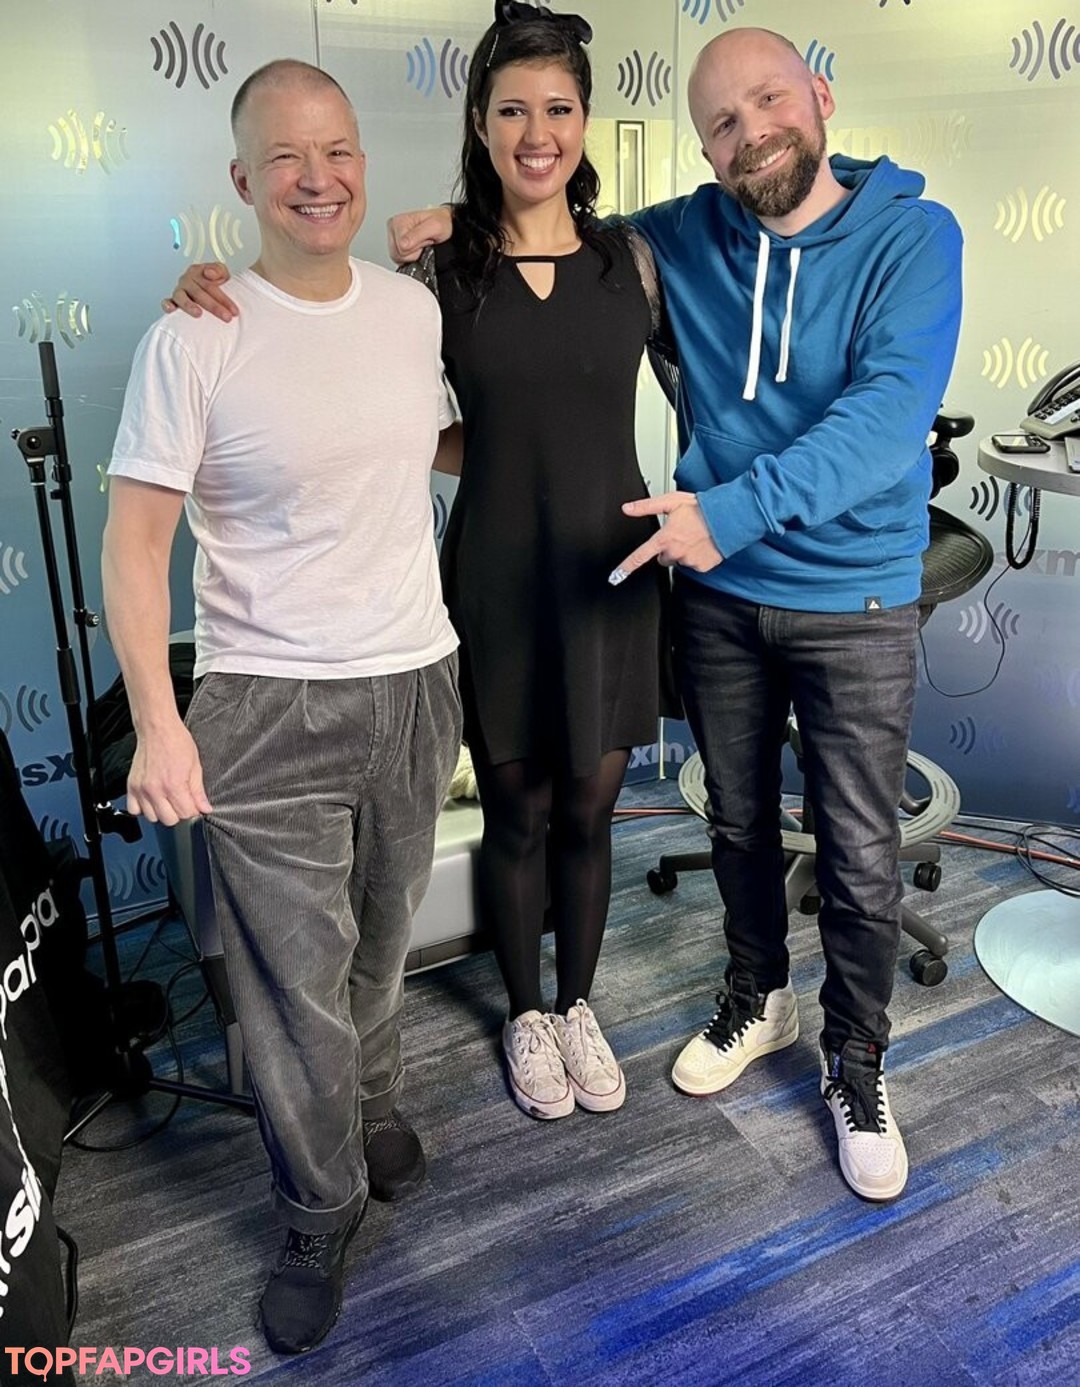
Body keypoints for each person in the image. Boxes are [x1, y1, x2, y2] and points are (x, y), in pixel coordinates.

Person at [390, 22, 964, 1202]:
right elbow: (541, 256)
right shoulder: (677, 240)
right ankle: (758, 996)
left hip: (849, 594)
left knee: (858, 851)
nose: (753, 133)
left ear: (820, 95)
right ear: (703, 146)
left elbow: (883, 420)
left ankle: (857, 1065)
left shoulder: (910, 237)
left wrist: (727, 512)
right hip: (713, 592)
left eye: (770, 102)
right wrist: (456, 221)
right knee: (737, 823)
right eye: (723, 122)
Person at [165, 4, 675, 1125]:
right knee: (517, 813)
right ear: (480, 125)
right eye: (512, 111)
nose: (537, 132)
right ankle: (527, 1013)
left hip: (612, 579)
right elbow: (335, 345)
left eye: (558, 108)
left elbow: (715, 397)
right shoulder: (441, 269)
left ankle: (579, 1004)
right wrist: (213, 288)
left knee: (593, 811)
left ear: (585, 121)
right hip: (495, 580)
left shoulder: (633, 263)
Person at [101, 59, 462, 1355]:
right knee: (293, 986)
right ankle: (319, 1207)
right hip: (265, 703)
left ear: (362, 160)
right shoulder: (194, 332)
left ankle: (368, 1104)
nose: (320, 178)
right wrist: (160, 721)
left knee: (381, 942)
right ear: (244, 179)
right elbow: (134, 545)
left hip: (415, 677)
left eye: (339, 150)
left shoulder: (411, 313)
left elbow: (438, 443)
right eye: (289, 157)